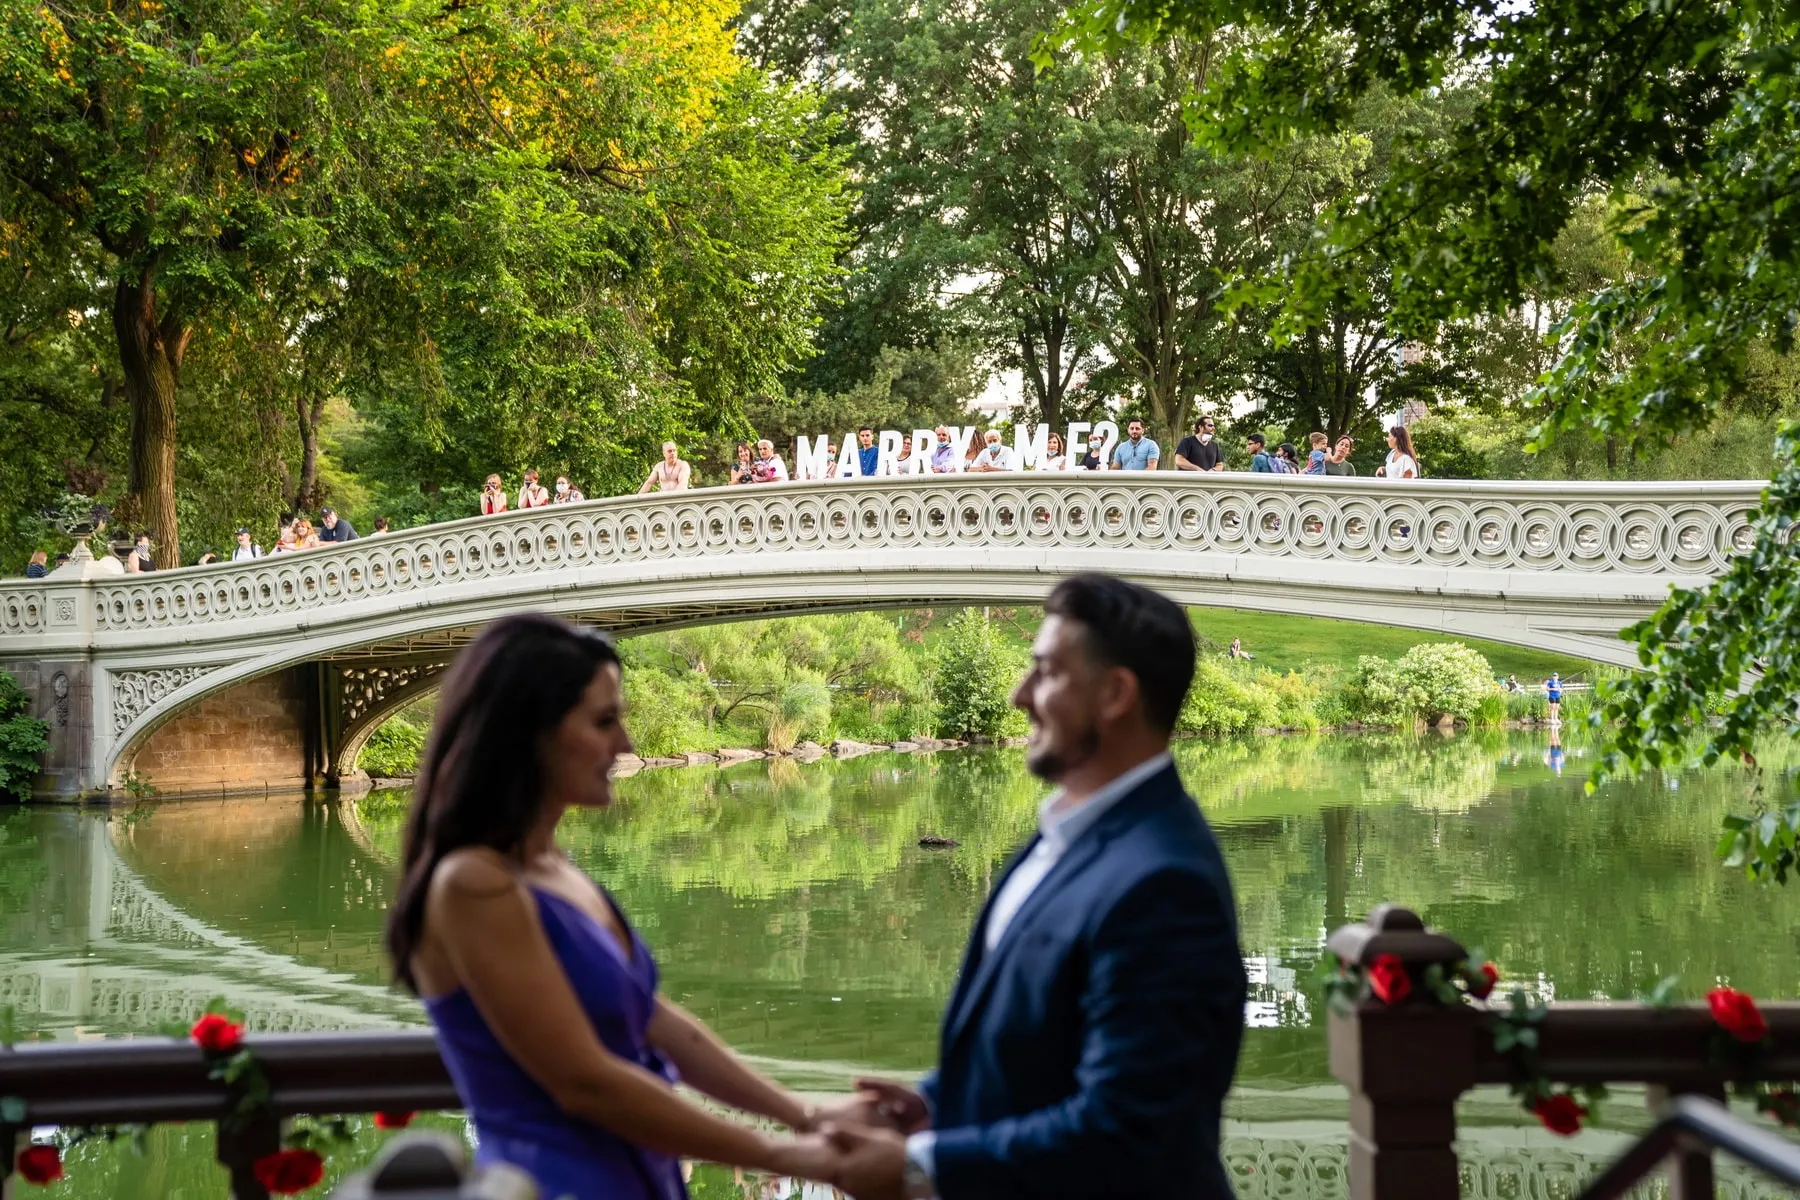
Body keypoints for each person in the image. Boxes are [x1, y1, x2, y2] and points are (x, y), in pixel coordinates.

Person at [384, 615, 854, 1200]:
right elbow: (585, 1083)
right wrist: (785, 1154)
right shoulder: (473, 885)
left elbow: (652, 1021)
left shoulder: (554, 868)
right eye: (604, 721)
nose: (627, 745)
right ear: (528, 730)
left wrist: (807, 1118)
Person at [826, 574, 1246, 1200]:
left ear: (1115, 694)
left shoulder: (1166, 883)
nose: (1020, 696)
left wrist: (919, 1168)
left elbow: (1126, 1131)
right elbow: (1040, 1040)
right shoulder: (1068, 829)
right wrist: (935, 1104)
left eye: (1046, 672)